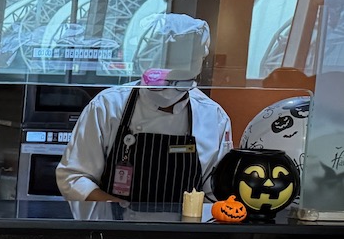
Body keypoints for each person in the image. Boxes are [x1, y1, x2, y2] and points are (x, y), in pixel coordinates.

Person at [56, 13, 232, 205]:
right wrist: (118, 211)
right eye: (158, 81)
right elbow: (74, 177)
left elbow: (216, 193)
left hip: (182, 232)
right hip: (113, 228)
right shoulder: (107, 106)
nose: (167, 91)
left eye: (178, 83)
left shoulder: (213, 117)